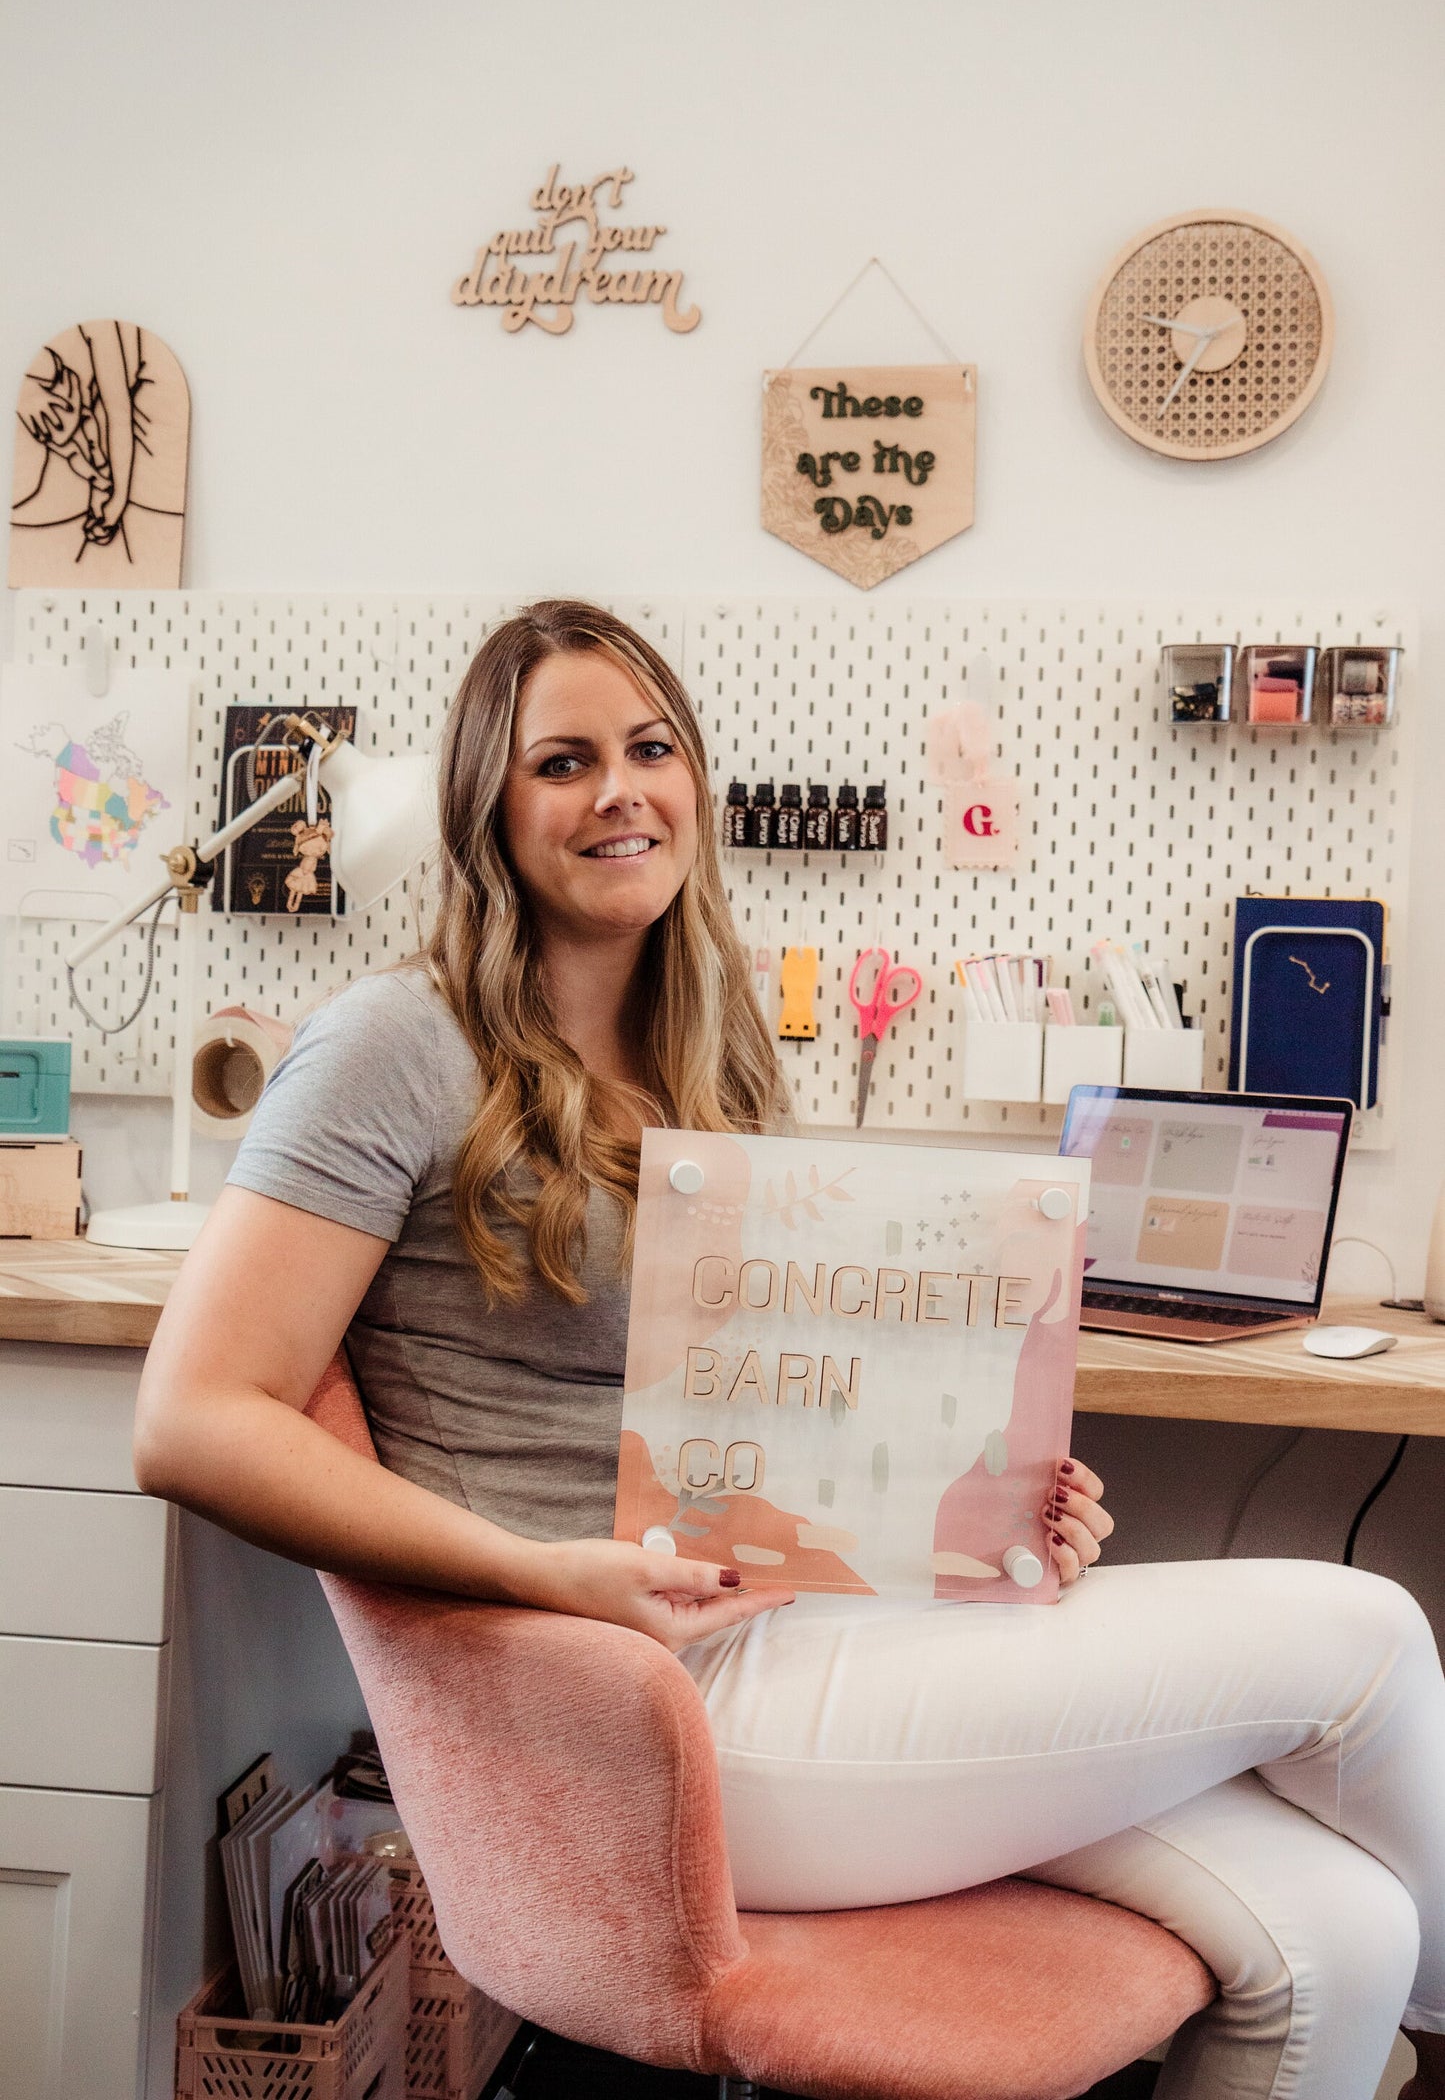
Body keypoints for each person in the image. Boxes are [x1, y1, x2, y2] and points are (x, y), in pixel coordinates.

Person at [135, 599, 1445, 2100]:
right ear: (486, 809)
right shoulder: (397, 1042)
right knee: (1366, 1634)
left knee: (1344, 1928)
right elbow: (190, 1421)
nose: (621, 790)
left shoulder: (703, 1051)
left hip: (798, 1630)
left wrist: (988, 1505)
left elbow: (763, 1437)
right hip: (653, 1713)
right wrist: (542, 1570)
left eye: (649, 747)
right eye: (562, 762)